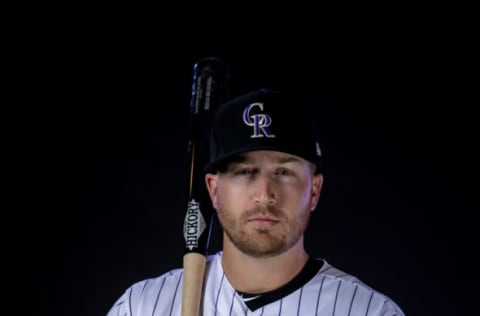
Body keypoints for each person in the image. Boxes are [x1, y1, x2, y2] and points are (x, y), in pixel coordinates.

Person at [107, 89, 405, 315]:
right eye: (245, 171)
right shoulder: (142, 306)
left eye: (284, 172)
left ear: (314, 191)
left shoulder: (368, 311)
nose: (264, 193)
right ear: (213, 189)